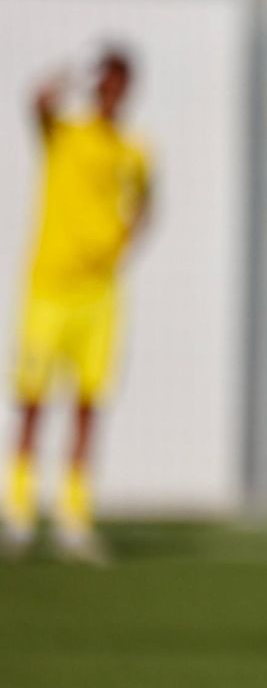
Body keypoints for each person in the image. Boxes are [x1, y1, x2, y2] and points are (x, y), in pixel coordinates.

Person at [3, 49, 151, 564]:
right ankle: (18, 512)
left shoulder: (135, 150)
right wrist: (64, 75)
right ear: (97, 85)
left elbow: (147, 201)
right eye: (106, 82)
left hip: (100, 295)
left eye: (120, 84)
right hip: (49, 288)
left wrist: (123, 241)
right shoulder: (65, 133)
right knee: (33, 401)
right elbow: (36, 104)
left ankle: (73, 516)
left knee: (89, 404)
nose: (112, 92)